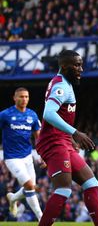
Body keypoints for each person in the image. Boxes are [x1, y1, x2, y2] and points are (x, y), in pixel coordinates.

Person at [36, 50, 98, 226]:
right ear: (64, 66)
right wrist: (75, 132)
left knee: (91, 182)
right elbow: (48, 113)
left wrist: (70, 138)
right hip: (53, 141)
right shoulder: (61, 86)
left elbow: (60, 115)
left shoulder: (64, 83)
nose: (81, 69)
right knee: (63, 190)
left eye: (81, 64)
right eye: (77, 65)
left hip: (63, 141)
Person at [1, 87, 43, 220]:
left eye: (26, 97)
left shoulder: (32, 115)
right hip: (12, 158)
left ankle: (13, 198)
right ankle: (42, 219)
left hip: (28, 157)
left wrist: (43, 155)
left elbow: (38, 137)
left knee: (30, 189)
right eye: (21, 96)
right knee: (30, 186)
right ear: (14, 98)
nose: (24, 99)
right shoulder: (5, 115)